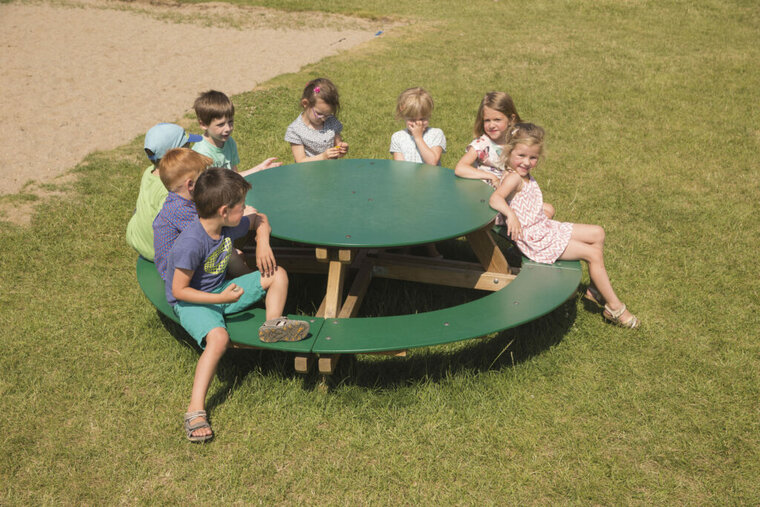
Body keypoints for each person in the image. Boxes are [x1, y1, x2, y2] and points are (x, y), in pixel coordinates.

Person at [167, 168, 309, 442]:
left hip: (223, 292)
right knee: (219, 338)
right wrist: (220, 299)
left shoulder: (228, 225)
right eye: (240, 205)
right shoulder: (191, 242)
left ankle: (273, 324)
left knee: (277, 274)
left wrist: (263, 241)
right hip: (193, 302)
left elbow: (261, 219)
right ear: (224, 210)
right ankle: (195, 408)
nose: (245, 209)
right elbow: (179, 291)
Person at [489, 123, 640, 329]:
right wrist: (511, 216)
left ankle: (594, 291)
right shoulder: (514, 177)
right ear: (510, 151)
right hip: (535, 239)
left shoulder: (521, 174)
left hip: (543, 227)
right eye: (521, 155)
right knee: (593, 254)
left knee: (598, 232)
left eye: (533, 158)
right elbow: (495, 199)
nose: (526, 162)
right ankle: (615, 308)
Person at [455, 92, 554, 221]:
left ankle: (533, 232)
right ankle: (528, 232)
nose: (491, 125)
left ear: (511, 119)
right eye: (487, 120)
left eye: (497, 119)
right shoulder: (483, 144)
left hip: (512, 193)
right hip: (489, 198)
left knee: (549, 209)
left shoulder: (514, 141)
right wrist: (491, 176)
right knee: (540, 213)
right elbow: (460, 168)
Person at [126, 123, 202, 261]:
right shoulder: (171, 190)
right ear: (175, 155)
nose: (191, 150)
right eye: (187, 147)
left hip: (136, 237)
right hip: (154, 249)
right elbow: (185, 226)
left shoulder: (149, 171)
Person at [192, 90, 281, 176]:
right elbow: (205, 190)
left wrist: (260, 168)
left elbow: (235, 177)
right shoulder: (201, 154)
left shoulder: (229, 142)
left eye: (230, 122)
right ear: (203, 124)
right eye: (220, 124)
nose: (228, 128)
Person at [284, 78, 348, 163]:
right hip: (308, 173)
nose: (324, 118)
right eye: (319, 114)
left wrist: (342, 149)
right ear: (305, 104)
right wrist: (323, 156)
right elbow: (300, 161)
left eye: (328, 114)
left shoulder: (331, 121)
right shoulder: (296, 130)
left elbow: (338, 150)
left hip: (331, 171)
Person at [389, 87, 446, 166]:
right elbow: (399, 167)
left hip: (430, 178)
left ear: (429, 115)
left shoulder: (436, 134)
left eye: (422, 119)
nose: (418, 123)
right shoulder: (398, 137)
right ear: (403, 116)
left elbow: (433, 162)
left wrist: (418, 138)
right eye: (412, 120)